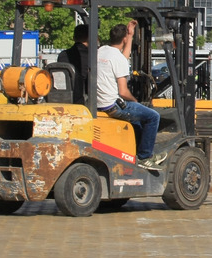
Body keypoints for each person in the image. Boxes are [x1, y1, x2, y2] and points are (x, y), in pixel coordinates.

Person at [97, 24, 166, 169]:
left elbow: (122, 57)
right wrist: (135, 101)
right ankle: (145, 156)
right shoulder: (118, 59)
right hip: (113, 106)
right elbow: (123, 92)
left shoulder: (102, 51)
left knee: (137, 120)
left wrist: (130, 35)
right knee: (153, 116)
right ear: (123, 39)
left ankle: (135, 149)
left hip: (99, 102)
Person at [57, 24, 90, 104]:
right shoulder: (92, 56)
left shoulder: (63, 55)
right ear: (89, 38)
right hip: (81, 100)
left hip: (62, 97)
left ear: (74, 38)